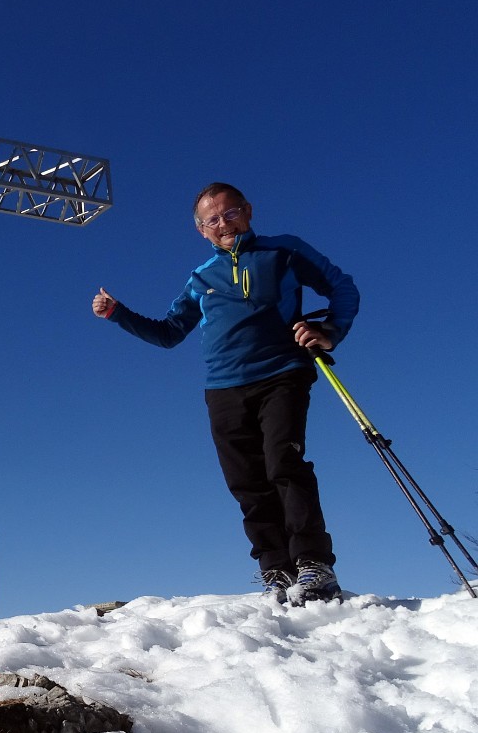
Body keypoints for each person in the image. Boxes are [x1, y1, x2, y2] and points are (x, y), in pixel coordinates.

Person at [92, 182, 360, 604]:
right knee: (246, 481)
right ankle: (276, 570)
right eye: (212, 219)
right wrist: (117, 314)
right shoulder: (200, 279)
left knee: (283, 462)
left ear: (248, 211)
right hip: (223, 387)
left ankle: (314, 565)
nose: (223, 223)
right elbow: (168, 334)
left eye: (230, 213)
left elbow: (341, 286)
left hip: (282, 372)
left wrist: (329, 331)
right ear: (201, 230)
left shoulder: (283, 251)